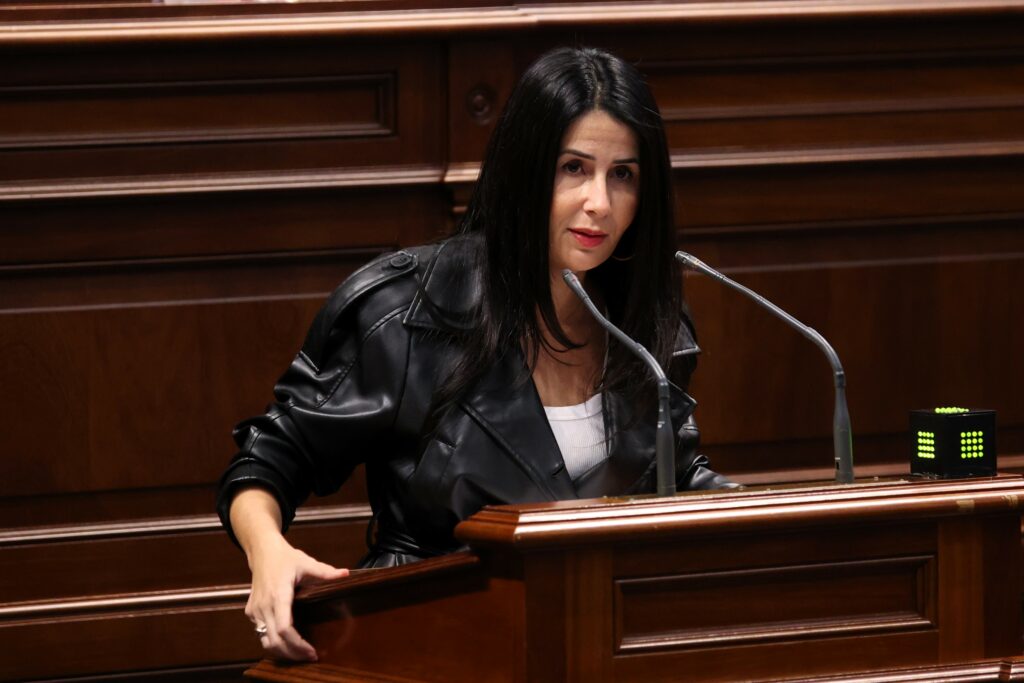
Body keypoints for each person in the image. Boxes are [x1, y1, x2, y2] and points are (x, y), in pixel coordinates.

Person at [217, 46, 734, 661]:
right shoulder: (408, 311)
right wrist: (268, 551)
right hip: (433, 640)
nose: (600, 201)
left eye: (622, 174)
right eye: (574, 168)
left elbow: (673, 472)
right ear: (525, 170)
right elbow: (270, 460)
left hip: (596, 644)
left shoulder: (651, 326)